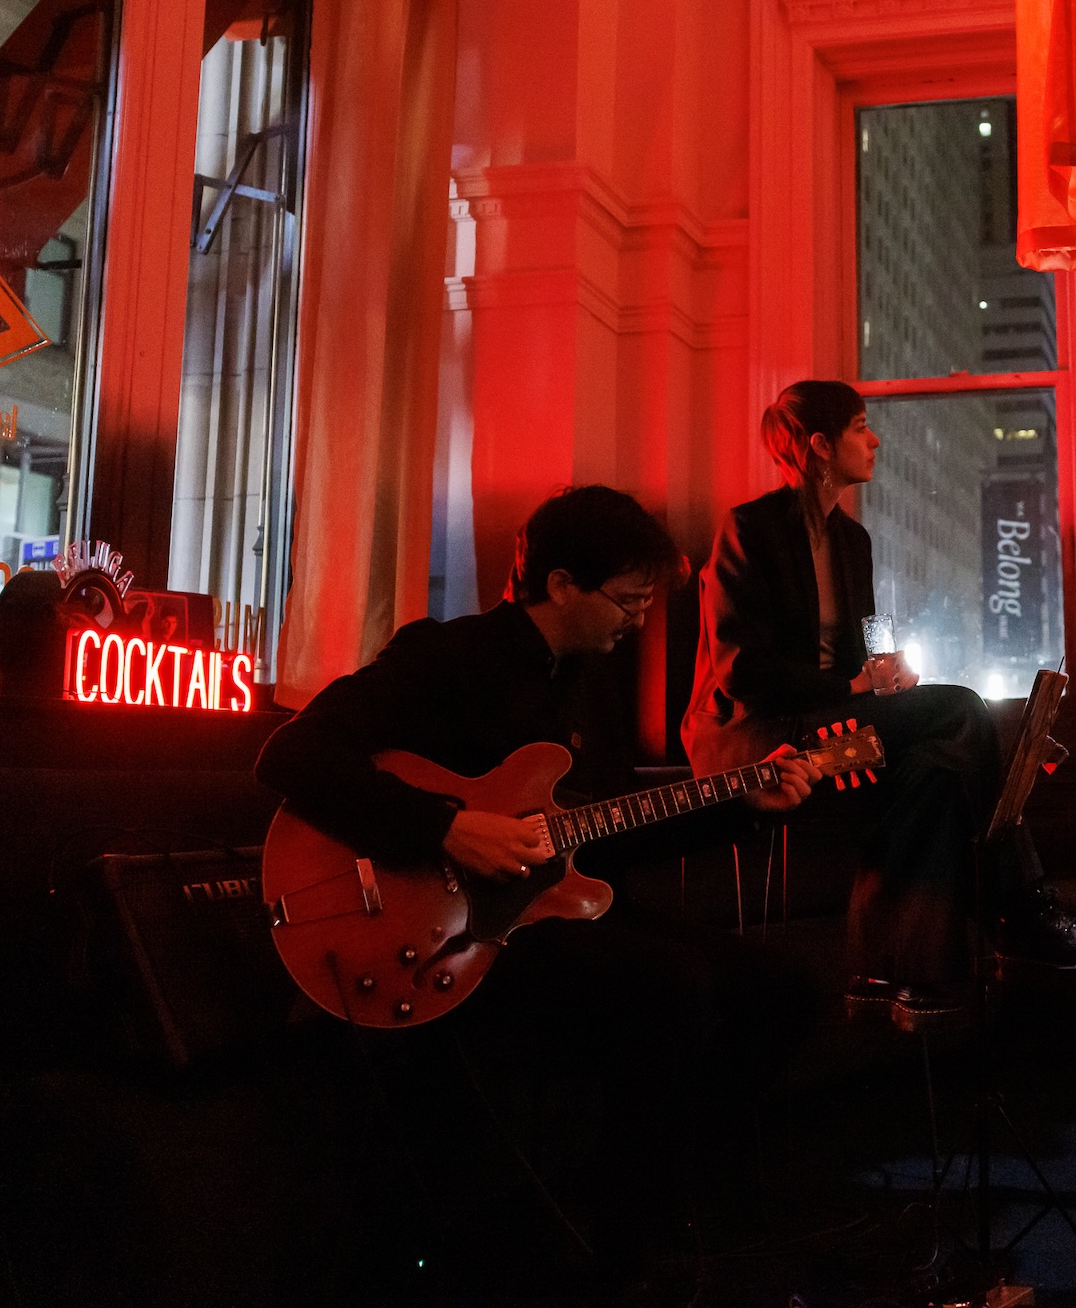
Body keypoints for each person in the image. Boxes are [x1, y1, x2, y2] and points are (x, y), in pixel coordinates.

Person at [255, 485, 816, 1289]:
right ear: (560, 584)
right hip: (451, 935)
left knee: (783, 989)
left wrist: (739, 805)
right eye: (627, 599)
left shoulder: (587, 682)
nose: (639, 619)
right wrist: (444, 826)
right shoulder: (446, 657)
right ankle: (622, 1250)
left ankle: (667, 1205)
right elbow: (290, 757)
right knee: (673, 989)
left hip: (545, 917)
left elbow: (605, 826)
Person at [682, 379, 1076, 1029]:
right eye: (861, 426)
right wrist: (854, 690)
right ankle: (1027, 914)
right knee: (961, 710)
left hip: (828, 735)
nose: (875, 439)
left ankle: (892, 975)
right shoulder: (748, 529)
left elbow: (864, 654)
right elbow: (740, 669)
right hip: (757, 742)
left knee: (938, 772)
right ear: (820, 445)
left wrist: (884, 678)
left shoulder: (852, 541)